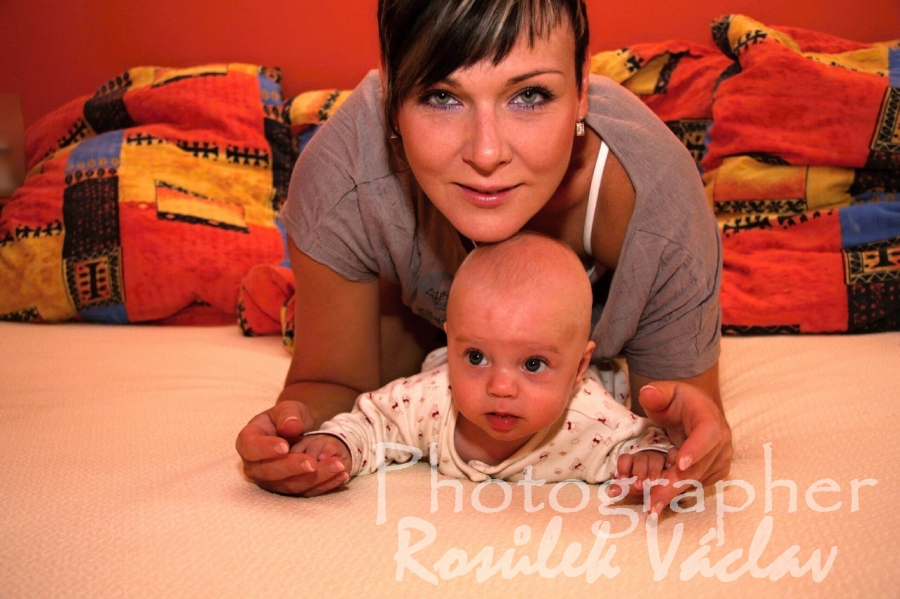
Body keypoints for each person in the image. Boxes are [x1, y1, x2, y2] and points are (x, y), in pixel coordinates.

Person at [236, 0, 733, 515]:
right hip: (406, 313)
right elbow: (332, 387)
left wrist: (692, 450)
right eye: (441, 96)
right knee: (393, 365)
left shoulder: (660, 211)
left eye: (530, 95)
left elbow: (673, 431)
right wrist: (292, 437)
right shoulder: (345, 180)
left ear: (582, 90)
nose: (487, 153)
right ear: (391, 97)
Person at [289, 233, 677, 500]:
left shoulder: (594, 420)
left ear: (578, 368)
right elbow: (372, 422)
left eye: (533, 363)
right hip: (438, 369)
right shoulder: (430, 400)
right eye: (476, 356)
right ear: (450, 342)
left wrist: (649, 461)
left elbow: (647, 441)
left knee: (616, 377)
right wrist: (338, 445)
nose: (500, 387)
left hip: (604, 379)